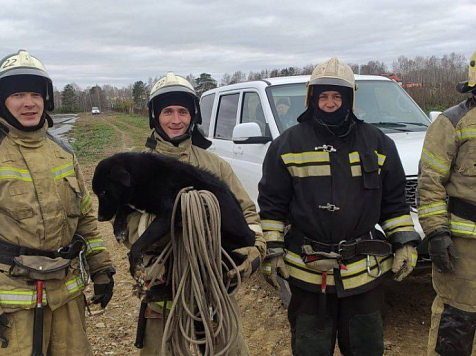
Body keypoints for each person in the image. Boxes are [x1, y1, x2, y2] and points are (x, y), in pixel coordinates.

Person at [258, 57, 420, 356]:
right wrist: (273, 249)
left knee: (365, 347)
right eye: (323, 96)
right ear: (312, 98)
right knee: (310, 348)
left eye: (337, 96)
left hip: (364, 273)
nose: (330, 103)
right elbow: (272, 205)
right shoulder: (287, 144)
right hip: (308, 274)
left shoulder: (378, 142)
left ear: (349, 98)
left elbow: (394, 202)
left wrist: (405, 242)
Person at [124, 72, 265, 355]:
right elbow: (125, 229)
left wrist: (254, 252)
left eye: (183, 112)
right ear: (155, 116)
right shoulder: (134, 169)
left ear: (193, 116)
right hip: (162, 295)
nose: (176, 120)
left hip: (214, 294)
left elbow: (248, 215)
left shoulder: (215, 167)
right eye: (167, 112)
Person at [0, 50, 114, 355]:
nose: (29, 103)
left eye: (35, 94)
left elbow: (86, 218)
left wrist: (101, 269)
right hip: (11, 302)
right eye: (18, 94)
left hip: (66, 294)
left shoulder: (63, 151)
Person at [418, 49, 476, 356]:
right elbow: (429, 185)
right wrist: (436, 234)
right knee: (457, 322)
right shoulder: (451, 122)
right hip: (463, 248)